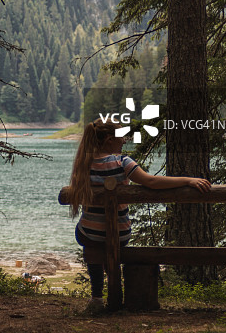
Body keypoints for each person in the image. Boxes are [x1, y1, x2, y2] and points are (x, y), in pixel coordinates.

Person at [67, 117, 211, 314]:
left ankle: (97, 298)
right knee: (106, 240)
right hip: (120, 233)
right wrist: (188, 180)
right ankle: (108, 292)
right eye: (121, 136)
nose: (124, 140)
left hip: (90, 235)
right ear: (110, 139)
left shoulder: (83, 164)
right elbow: (151, 182)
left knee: (87, 235)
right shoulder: (122, 162)